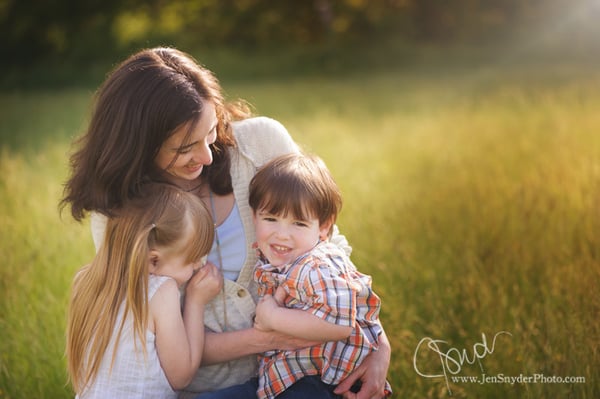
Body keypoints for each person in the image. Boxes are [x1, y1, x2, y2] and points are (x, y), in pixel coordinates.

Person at [60, 46, 391, 398]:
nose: (206, 155)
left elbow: (329, 252)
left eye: (210, 132)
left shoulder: (261, 143)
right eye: (184, 147)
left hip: (304, 369)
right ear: (139, 145)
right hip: (201, 389)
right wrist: (264, 339)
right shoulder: (119, 211)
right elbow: (149, 337)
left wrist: (378, 345)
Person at [196, 153, 392, 399]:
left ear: (323, 227)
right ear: (254, 217)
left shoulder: (318, 264)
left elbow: (339, 323)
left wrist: (273, 317)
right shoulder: (283, 260)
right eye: (271, 219)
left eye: (298, 223)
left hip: (324, 383)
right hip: (285, 380)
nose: (282, 235)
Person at [66, 182, 223, 398]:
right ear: (153, 261)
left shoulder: (86, 282)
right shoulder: (161, 291)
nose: (199, 266)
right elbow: (181, 375)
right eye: (191, 260)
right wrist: (196, 301)